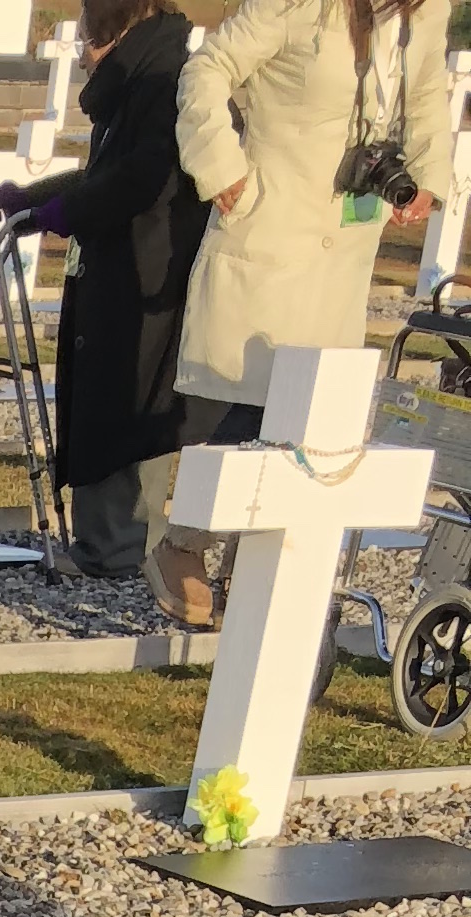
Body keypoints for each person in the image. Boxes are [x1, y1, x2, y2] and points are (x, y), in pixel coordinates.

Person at [157, 0, 447, 621]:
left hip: (344, 246)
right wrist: (220, 166)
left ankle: (263, 596)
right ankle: (184, 543)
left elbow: (424, 89)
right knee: (244, 405)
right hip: (271, 225)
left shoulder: (425, 10)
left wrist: (425, 175)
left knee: (313, 424)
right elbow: (206, 69)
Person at [0, 0, 208, 582]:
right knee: (100, 398)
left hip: (145, 277)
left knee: (128, 408)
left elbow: (139, 181)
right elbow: (101, 176)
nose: (84, 57)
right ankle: (102, 543)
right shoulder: (135, 83)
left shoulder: (164, 85)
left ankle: (122, 551)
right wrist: (38, 199)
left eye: (88, 41)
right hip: (113, 271)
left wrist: (66, 210)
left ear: (118, 33)